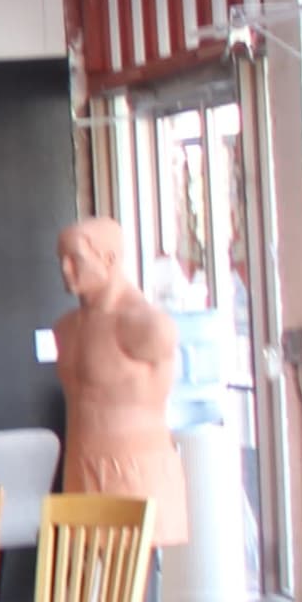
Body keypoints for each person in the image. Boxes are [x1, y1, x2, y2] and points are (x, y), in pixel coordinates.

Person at [54, 215, 188, 547]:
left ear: (109, 259)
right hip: (80, 471)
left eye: (76, 260)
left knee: (134, 589)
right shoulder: (66, 328)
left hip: (137, 477)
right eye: (61, 260)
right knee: (86, 592)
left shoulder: (145, 326)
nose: (66, 270)